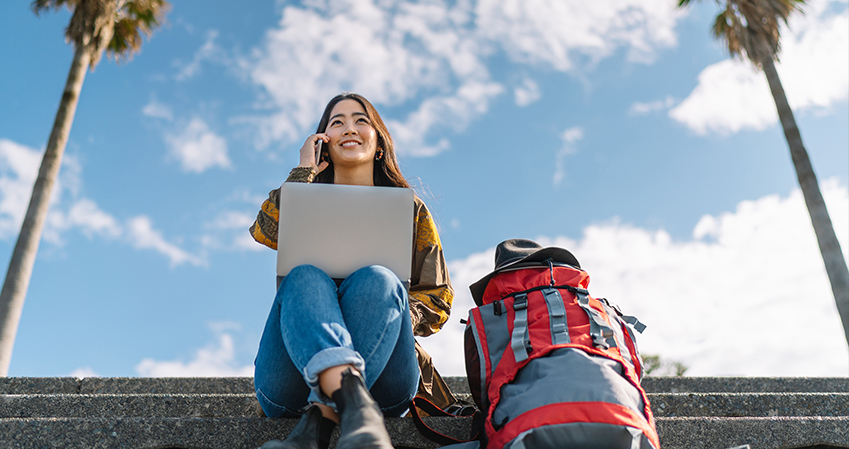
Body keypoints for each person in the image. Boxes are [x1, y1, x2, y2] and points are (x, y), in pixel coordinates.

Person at [249, 92, 455, 449]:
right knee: (304, 277)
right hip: (290, 382)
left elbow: (438, 298)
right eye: (336, 122)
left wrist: (387, 316)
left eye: (361, 120)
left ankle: (320, 420)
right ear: (323, 144)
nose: (349, 128)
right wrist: (302, 173)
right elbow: (264, 230)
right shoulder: (302, 194)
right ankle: (348, 409)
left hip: (386, 383)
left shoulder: (411, 210)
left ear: (378, 142)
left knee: (379, 280)